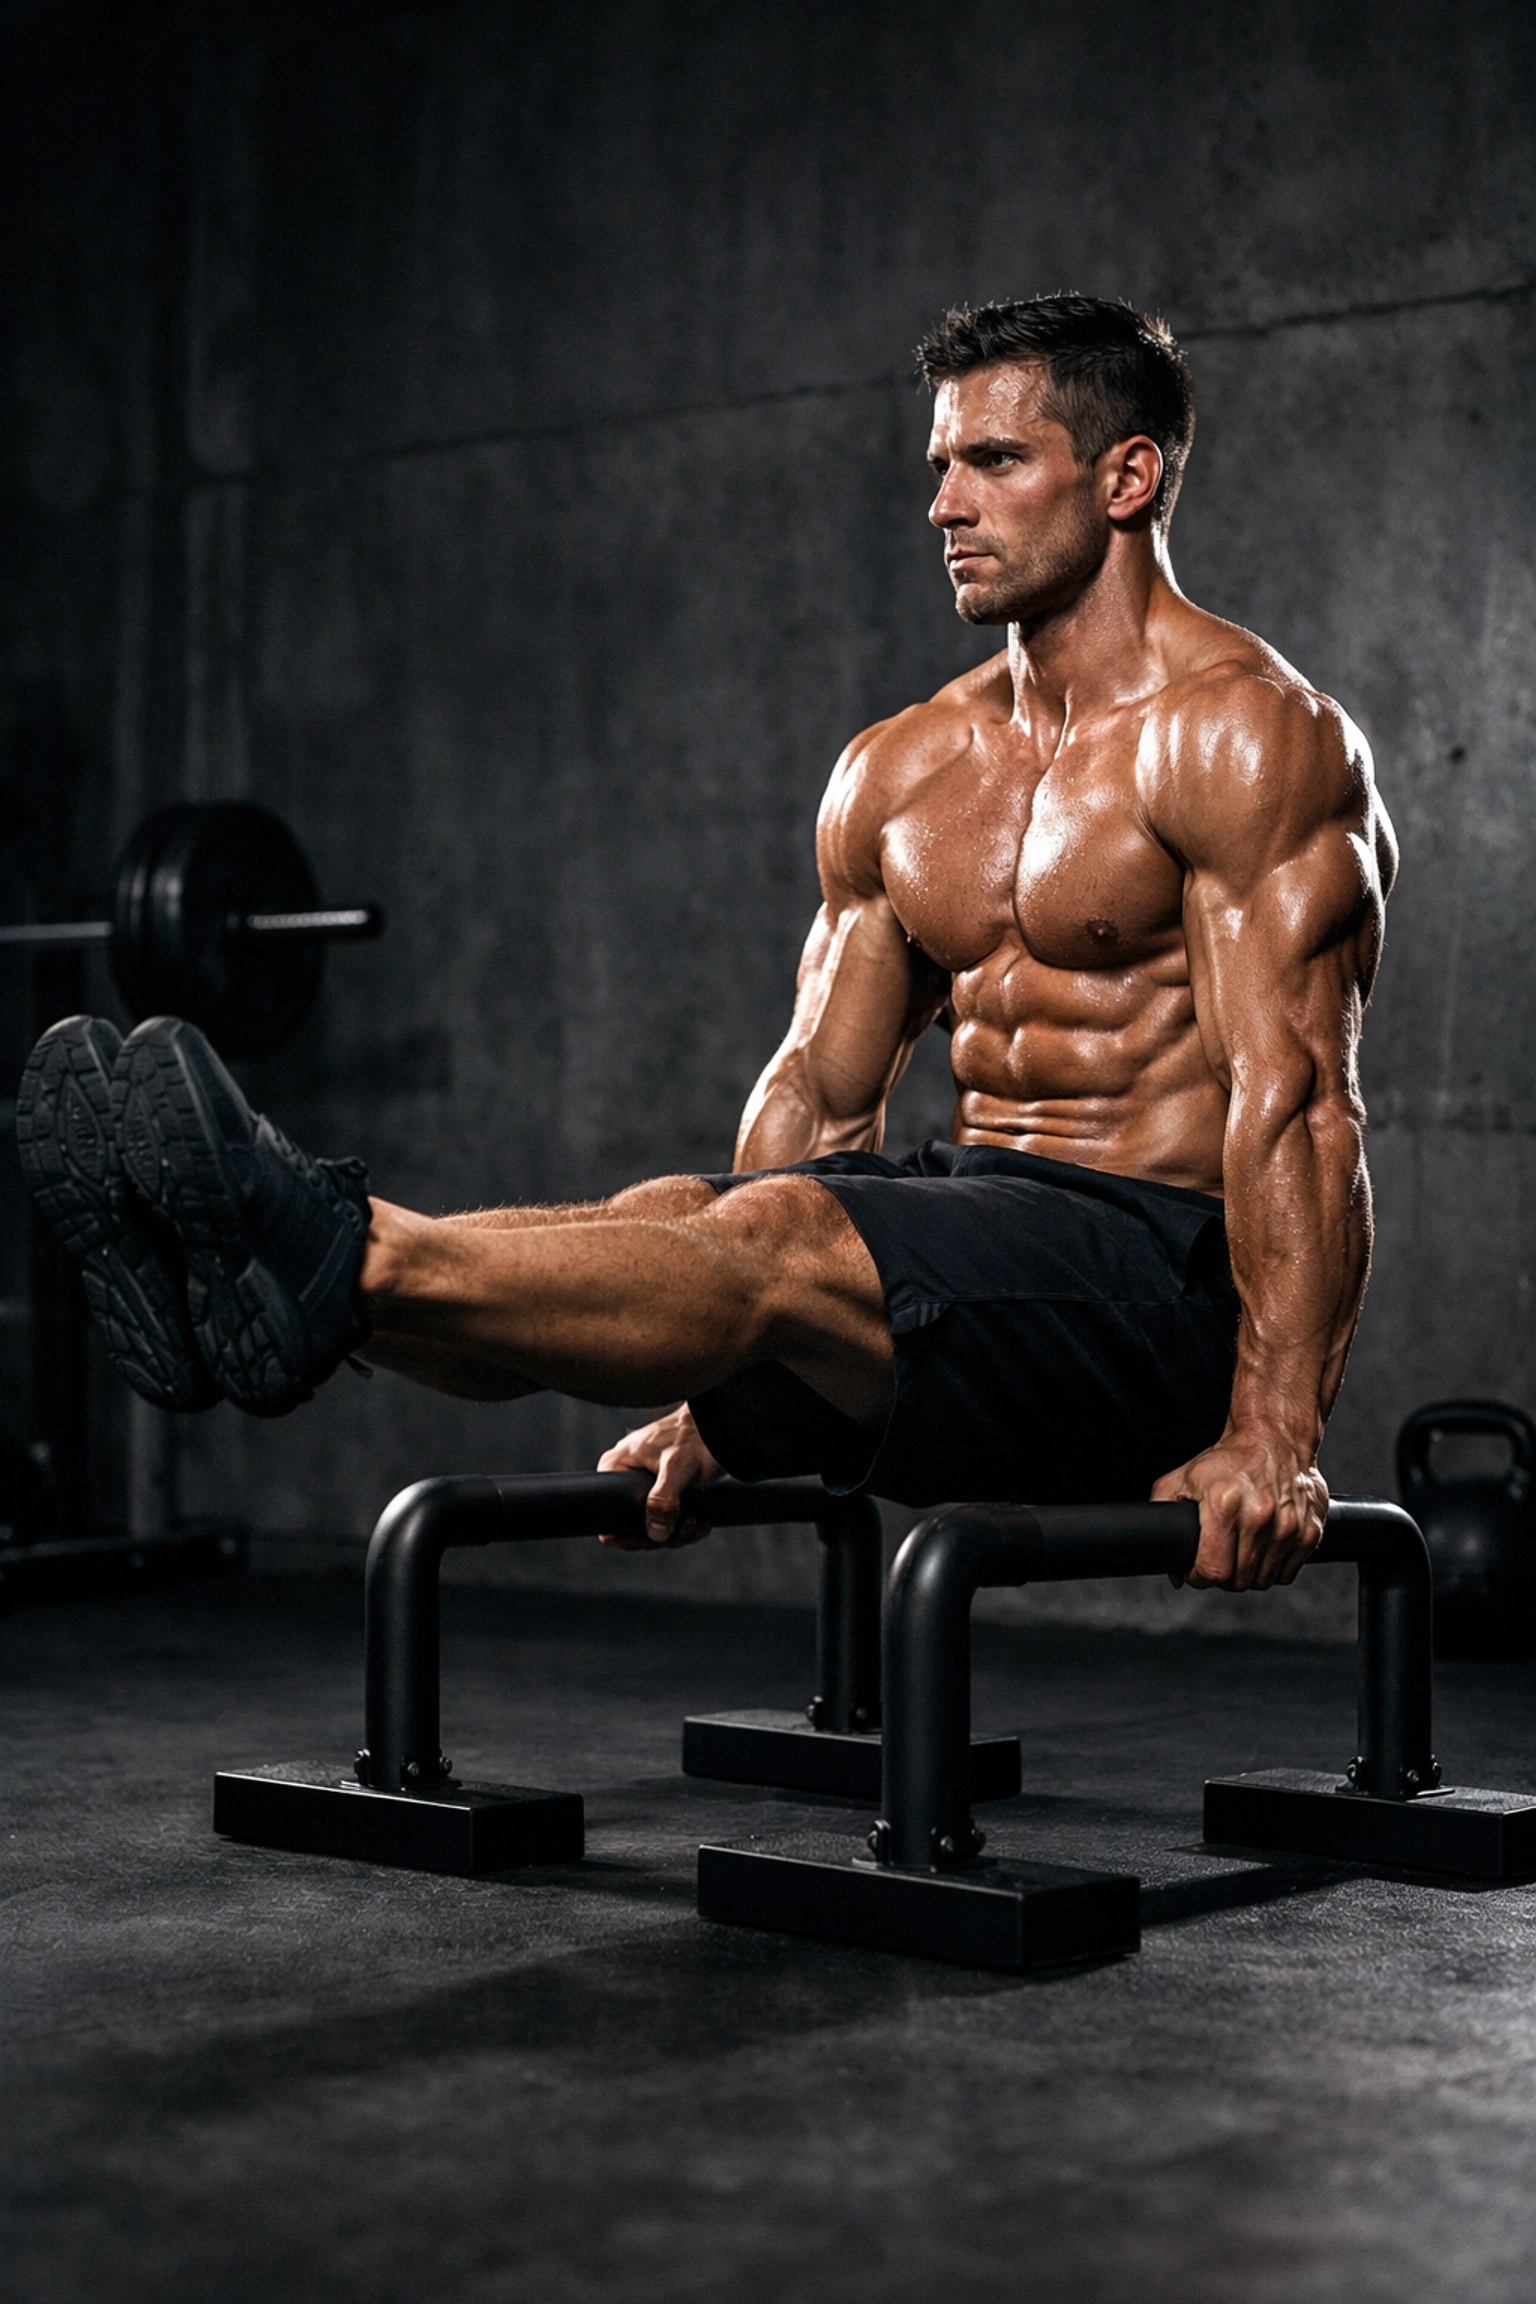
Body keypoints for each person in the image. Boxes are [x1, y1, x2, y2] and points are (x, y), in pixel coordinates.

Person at [16, 294, 1395, 1594]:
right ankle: (303, 1292)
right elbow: (818, 1090)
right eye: (939, 463)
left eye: (992, 459)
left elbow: (1301, 1109)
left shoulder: (1246, 734)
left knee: (781, 1229)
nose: (943, 504)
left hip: (1163, 1301)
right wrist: (718, 1396)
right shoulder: (906, 768)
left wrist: (1272, 1433)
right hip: (975, 1244)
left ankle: (328, 1243)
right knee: (679, 1215)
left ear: (1127, 478)